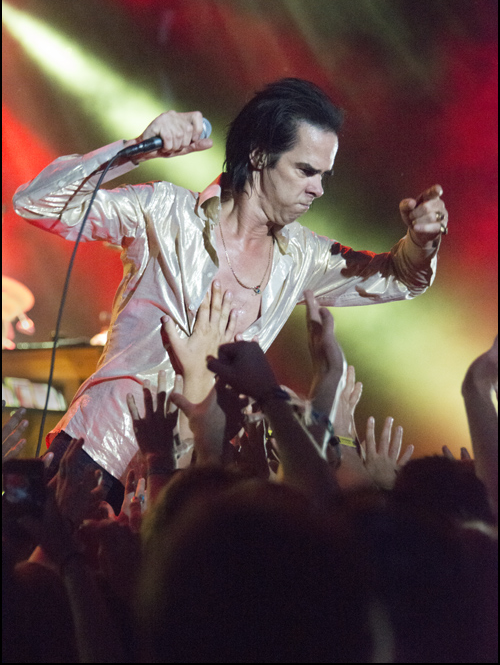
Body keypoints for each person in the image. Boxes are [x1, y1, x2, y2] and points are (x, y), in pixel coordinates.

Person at [12, 77, 448, 493]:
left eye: (324, 176)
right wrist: (133, 151)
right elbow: (37, 202)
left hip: (192, 477)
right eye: (305, 171)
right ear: (259, 156)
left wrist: (421, 243)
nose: (318, 190)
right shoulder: (165, 214)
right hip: (101, 450)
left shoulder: (303, 258)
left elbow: (395, 277)